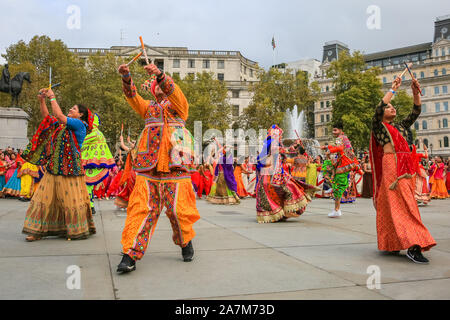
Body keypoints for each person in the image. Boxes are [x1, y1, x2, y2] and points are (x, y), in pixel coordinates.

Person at [116, 63, 200, 273]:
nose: (160, 89)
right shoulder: (148, 108)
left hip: (176, 166)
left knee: (177, 210)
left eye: (162, 85)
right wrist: (127, 77)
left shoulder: (180, 106)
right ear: (153, 91)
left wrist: (160, 75)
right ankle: (130, 254)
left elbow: (175, 92)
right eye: (156, 86)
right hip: (149, 167)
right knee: (141, 208)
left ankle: (185, 241)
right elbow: (133, 97)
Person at [370, 76, 435, 263]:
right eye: (389, 107)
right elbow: (377, 109)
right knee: (401, 206)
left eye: (393, 107)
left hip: (406, 169)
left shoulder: (401, 127)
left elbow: (416, 111)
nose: (393, 108)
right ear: (382, 113)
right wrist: (393, 89)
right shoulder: (380, 127)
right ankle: (413, 245)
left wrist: (415, 92)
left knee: (401, 205)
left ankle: (395, 242)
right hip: (392, 168)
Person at [21, 87, 96, 241]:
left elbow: (59, 116)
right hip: (54, 167)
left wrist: (52, 96)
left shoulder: (79, 125)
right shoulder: (63, 126)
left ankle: (73, 230)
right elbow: (48, 117)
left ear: (80, 114)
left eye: (74, 108)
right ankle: (37, 231)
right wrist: (42, 100)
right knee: (41, 198)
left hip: (70, 169)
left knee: (70, 201)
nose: (71, 109)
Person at [255, 125, 312, 223]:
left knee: (288, 187)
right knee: (277, 189)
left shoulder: (273, 142)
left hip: (276, 171)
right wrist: (291, 148)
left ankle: (282, 212)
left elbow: (281, 154)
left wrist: (292, 149)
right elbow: (276, 150)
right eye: (280, 135)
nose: (281, 137)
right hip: (270, 172)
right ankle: (275, 213)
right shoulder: (271, 142)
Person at [320, 123, 358, 217]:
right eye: (333, 130)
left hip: (344, 164)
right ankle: (336, 206)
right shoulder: (344, 138)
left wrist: (328, 149)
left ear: (341, 130)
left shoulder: (340, 138)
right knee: (337, 184)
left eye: (335, 130)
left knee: (337, 186)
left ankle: (337, 209)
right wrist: (328, 148)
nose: (334, 132)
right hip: (345, 164)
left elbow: (339, 148)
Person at [82, 113, 116, 213]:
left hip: (92, 164)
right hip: (93, 163)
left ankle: (89, 206)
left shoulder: (94, 134)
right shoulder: (98, 133)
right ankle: (90, 206)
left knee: (87, 185)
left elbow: (81, 142)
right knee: (88, 186)